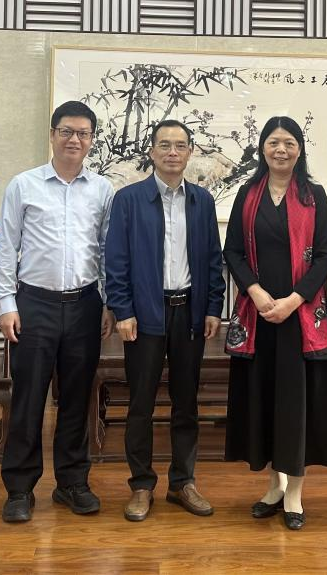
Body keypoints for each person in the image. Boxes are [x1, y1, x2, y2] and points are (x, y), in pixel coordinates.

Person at [223, 116, 327, 531]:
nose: (281, 149)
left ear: (299, 149)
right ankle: (274, 486)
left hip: (300, 317)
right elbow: (233, 251)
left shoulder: (314, 195)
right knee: (265, 400)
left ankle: (294, 491)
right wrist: (257, 293)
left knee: (296, 403)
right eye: (274, 142)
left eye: (289, 142)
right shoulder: (248, 194)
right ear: (262, 148)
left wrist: (294, 300)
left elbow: (326, 256)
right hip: (259, 315)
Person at [0, 100, 116, 523]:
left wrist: (107, 302)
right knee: (28, 398)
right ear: (52, 135)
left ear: (91, 140)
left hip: (84, 305)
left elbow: (106, 250)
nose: (74, 140)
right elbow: (7, 246)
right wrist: (6, 303)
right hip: (34, 304)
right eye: (66, 131)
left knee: (77, 398)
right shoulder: (24, 185)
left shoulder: (102, 190)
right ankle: (19, 488)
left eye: (83, 133)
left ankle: (72, 482)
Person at [105, 119, 226, 521]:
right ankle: (141, 485)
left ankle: (182, 482)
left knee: (186, 402)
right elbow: (116, 260)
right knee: (140, 403)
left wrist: (213, 307)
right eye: (164, 145)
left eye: (180, 145)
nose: (172, 152)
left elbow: (213, 259)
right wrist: (122, 310)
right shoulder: (129, 199)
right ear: (152, 151)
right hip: (144, 314)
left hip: (189, 312)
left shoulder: (202, 201)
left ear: (190, 152)